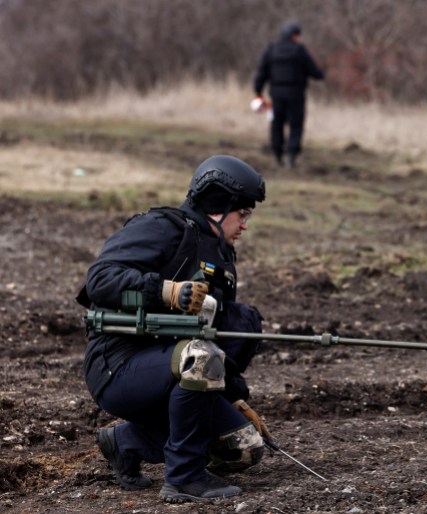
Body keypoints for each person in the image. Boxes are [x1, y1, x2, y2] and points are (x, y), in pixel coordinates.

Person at [77, 155, 268, 502]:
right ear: (218, 205)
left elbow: (216, 333)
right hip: (117, 365)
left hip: (172, 366)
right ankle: (183, 478)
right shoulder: (161, 227)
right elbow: (98, 280)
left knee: (242, 447)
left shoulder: (221, 258)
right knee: (199, 357)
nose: (245, 225)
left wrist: (235, 396)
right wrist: (167, 291)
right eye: (243, 214)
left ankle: (125, 442)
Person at [253, 21, 324, 169]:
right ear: (294, 36)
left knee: (276, 124)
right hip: (296, 95)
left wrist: (258, 91)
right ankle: (291, 154)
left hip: (276, 95)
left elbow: (261, 72)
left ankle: (278, 154)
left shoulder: (271, 50)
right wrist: (322, 73)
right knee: (296, 125)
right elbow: (314, 72)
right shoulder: (299, 51)